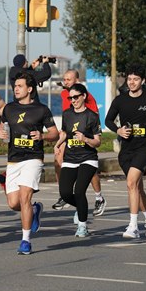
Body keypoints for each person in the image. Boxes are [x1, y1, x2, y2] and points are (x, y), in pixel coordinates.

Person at [0, 72, 59, 254]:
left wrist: (42, 136)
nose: (16, 89)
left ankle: (25, 241)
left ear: (30, 89)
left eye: (20, 86)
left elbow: (55, 133)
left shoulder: (41, 109)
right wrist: (1, 133)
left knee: (25, 197)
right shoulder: (9, 108)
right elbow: (2, 125)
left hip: (33, 158)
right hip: (13, 160)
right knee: (13, 203)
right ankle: (34, 209)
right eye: (15, 86)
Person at [105, 64, 146, 240]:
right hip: (127, 150)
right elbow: (108, 120)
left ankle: (133, 226)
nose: (131, 82)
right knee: (137, 187)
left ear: (142, 81)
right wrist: (118, 130)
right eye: (129, 79)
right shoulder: (120, 100)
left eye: (135, 79)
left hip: (145, 147)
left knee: (131, 182)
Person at [52, 69, 106, 217]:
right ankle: (66, 195)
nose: (65, 82)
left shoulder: (87, 97)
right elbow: (66, 123)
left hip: (85, 135)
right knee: (58, 160)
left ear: (77, 81)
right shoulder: (64, 94)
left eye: (68, 79)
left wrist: (86, 137)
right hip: (70, 133)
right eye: (64, 79)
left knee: (90, 171)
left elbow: (94, 120)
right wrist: (59, 142)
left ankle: (98, 197)